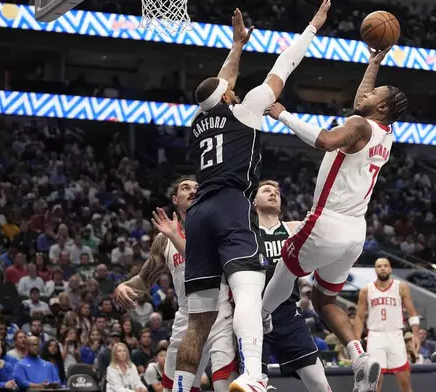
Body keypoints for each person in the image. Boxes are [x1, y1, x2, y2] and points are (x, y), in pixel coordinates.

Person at [178, 2, 330, 391]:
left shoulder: (196, 124)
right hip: (231, 204)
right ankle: (253, 374)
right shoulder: (246, 110)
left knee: (198, 320)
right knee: (248, 287)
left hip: (198, 213)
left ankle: (179, 387)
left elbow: (219, 85)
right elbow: (284, 66)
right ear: (229, 96)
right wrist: (312, 26)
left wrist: (237, 46)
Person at [262, 43, 408, 392]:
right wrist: (373, 63)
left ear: (382, 106)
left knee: (285, 263)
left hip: (327, 221)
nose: (368, 92)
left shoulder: (358, 125)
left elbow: (327, 140)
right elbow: (362, 103)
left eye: (376, 92)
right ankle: (360, 356)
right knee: (324, 300)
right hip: (356, 233)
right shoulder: (384, 134)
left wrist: (282, 114)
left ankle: (261, 318)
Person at [115, 177, 237, 392]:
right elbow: (144, 280)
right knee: (175, 389)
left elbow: (206, 263)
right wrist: (124, 286)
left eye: (197, 188)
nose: (192, 191)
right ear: (175, 199)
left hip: (220, 314)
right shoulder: (163, 240)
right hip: (187, 317)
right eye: (185, 188)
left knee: (224, 385)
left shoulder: (217, 227)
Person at [254, 180, 331, 392]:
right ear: (253, 201)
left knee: (319, 383)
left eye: (276, 193)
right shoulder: (244, 231)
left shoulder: (293, 228)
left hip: (287, 314)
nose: (273, 194)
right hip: (251, 315)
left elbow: (324, 225)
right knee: (253, 384)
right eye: (266, 191)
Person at [353, 258, 420, 392]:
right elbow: (359, 317)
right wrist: (356, 340)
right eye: (379, 266)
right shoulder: (366, 290)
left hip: (396, 335)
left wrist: (416, 335)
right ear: (375, 270)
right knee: (375, 383)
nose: (382, 268)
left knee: (405, 382)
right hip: (375, 337)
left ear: (390, 269)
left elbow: (412, 313)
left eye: (385, 266)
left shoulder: (401, 287)